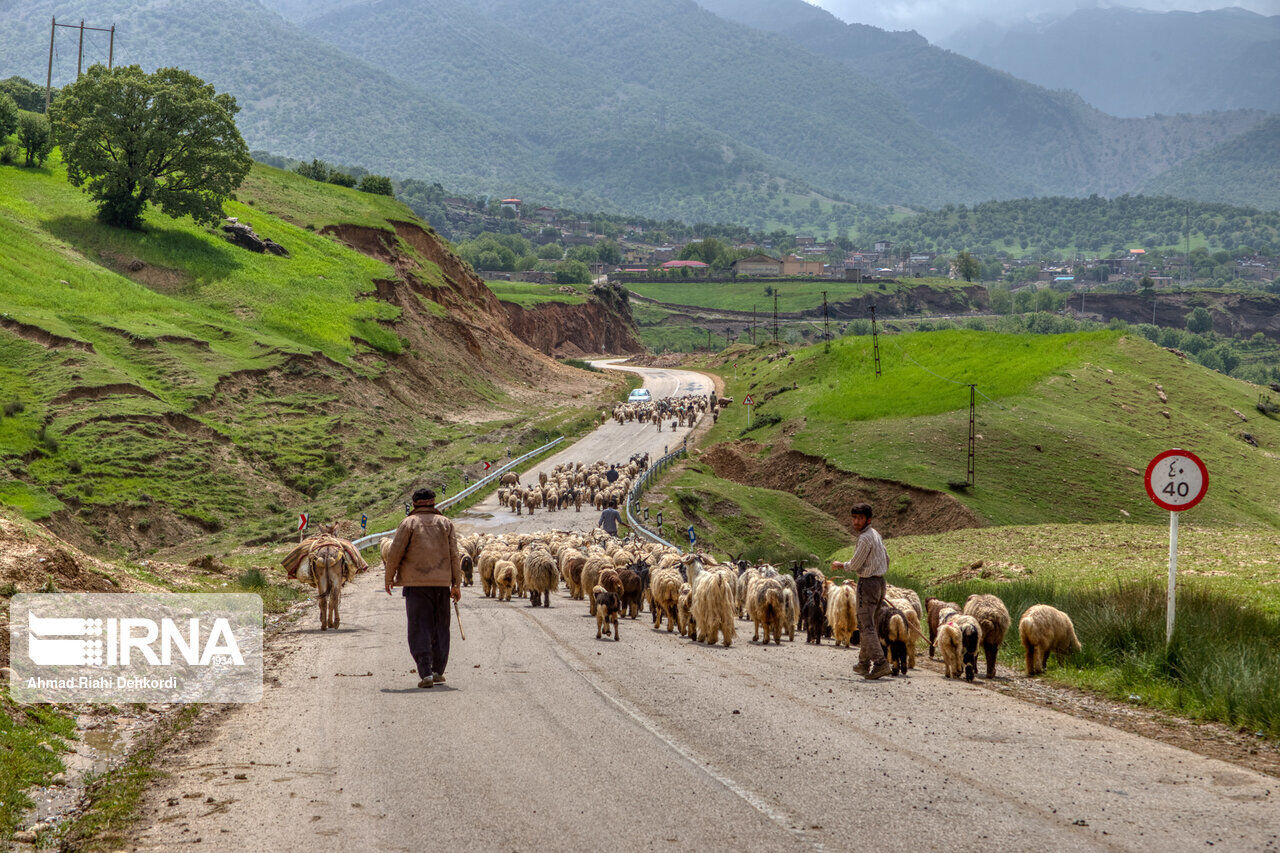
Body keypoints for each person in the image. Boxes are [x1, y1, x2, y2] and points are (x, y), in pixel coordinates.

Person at [383, 488, 463, 688]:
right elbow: (455, 554)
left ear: (415, 504)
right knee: (440, 627)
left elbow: (394, 553)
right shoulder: (446, 524)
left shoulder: (408, 523)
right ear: (434, 503)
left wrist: (388, 577)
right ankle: (438, 671)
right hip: (442, 586)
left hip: (416, 586)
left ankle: (425, 672)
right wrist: (456, 584)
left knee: (420, 627)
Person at [831, 502, 890, 680]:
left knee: (866, 626)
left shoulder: (865, 538)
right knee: (870, 624)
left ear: (868, 519)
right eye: (854, 518)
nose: (856, 522)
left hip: (867, 584)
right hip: (880, 583)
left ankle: (880, 663)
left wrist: (841, 565)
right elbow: (887, 558)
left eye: (860, 518)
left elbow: (855, 564)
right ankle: (864, 663)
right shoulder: (876, 534)